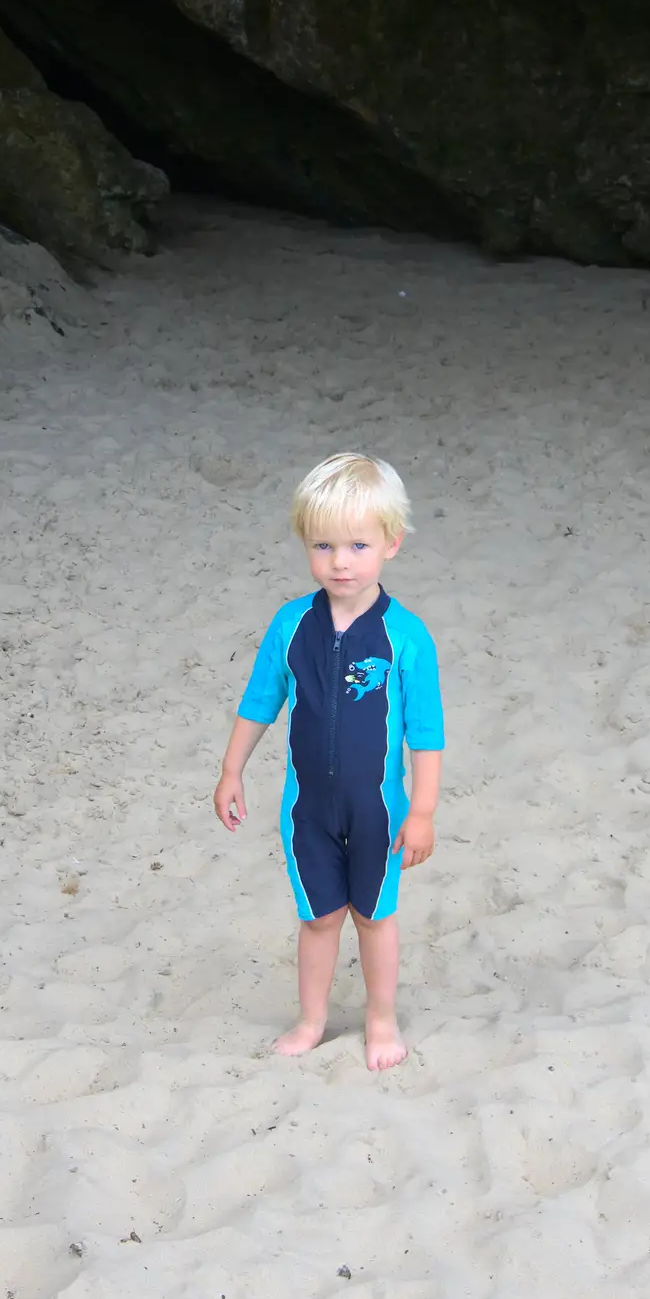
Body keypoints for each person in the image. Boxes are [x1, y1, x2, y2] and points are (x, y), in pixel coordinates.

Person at [214, 452, 444, 1070]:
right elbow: (260, 702)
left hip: (379, 810)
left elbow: (426, 735)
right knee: (319, 919)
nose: (340, 562)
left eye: (358, 546)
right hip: (306, 809)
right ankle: (312, 1019)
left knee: (374, 917)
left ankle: (380, 1019)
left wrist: (421, 812)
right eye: (323, 545)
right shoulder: (291, 625)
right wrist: (232, 769)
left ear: (391, 545)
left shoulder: (407, 637)